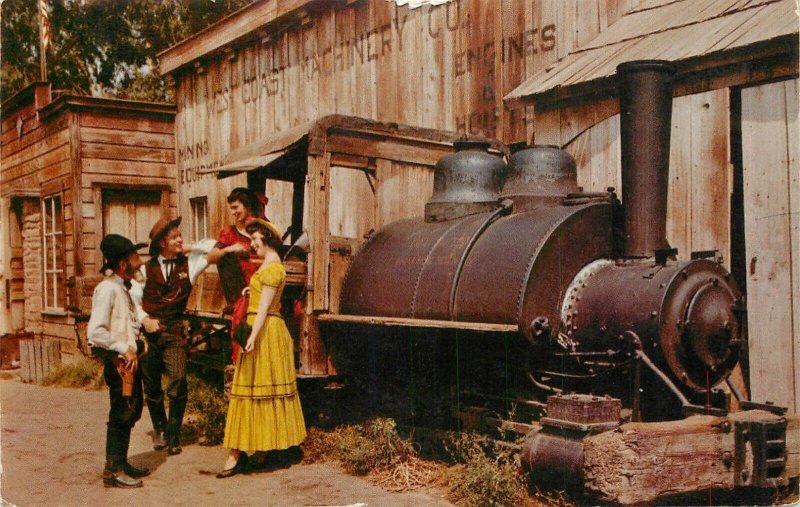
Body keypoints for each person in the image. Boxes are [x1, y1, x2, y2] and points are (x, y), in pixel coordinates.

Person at [136, 217, 238, 455]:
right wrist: (144, 320)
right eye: (174, 237)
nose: (180, 239)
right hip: (149, 332)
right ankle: (159, 429)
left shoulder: (190, 264)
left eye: (179, 235)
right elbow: (132, 300)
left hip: (174, 331)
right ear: (162, 243)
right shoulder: (144, 269)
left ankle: (173, 434)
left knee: (178, 381)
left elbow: (217, 247)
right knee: (151, 385)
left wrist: (190, 247)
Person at [217, 219, 306, 478]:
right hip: (262, 326)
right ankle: (251, 451)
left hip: (265, 330)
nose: (252, 243)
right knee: (248, 390)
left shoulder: (274, 268)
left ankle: (248, 452)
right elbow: (262, 297)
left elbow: (266, 308)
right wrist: (250, 290)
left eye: (255, 240)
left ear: (266, 240)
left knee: (255, 389)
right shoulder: (267, 266)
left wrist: (252, 337)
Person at [87, 234, 150, 488]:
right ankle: (113, 471)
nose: (140, 263)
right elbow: (95, 332)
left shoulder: (123, 287)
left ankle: (121, 463)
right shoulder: (107, 289)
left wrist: (138, 340)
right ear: (123, 264)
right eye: (135, 258)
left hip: (129, 363)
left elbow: (126, 322)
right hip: (119, 365)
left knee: (132, 410)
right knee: (121, 414)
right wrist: (124, 348)